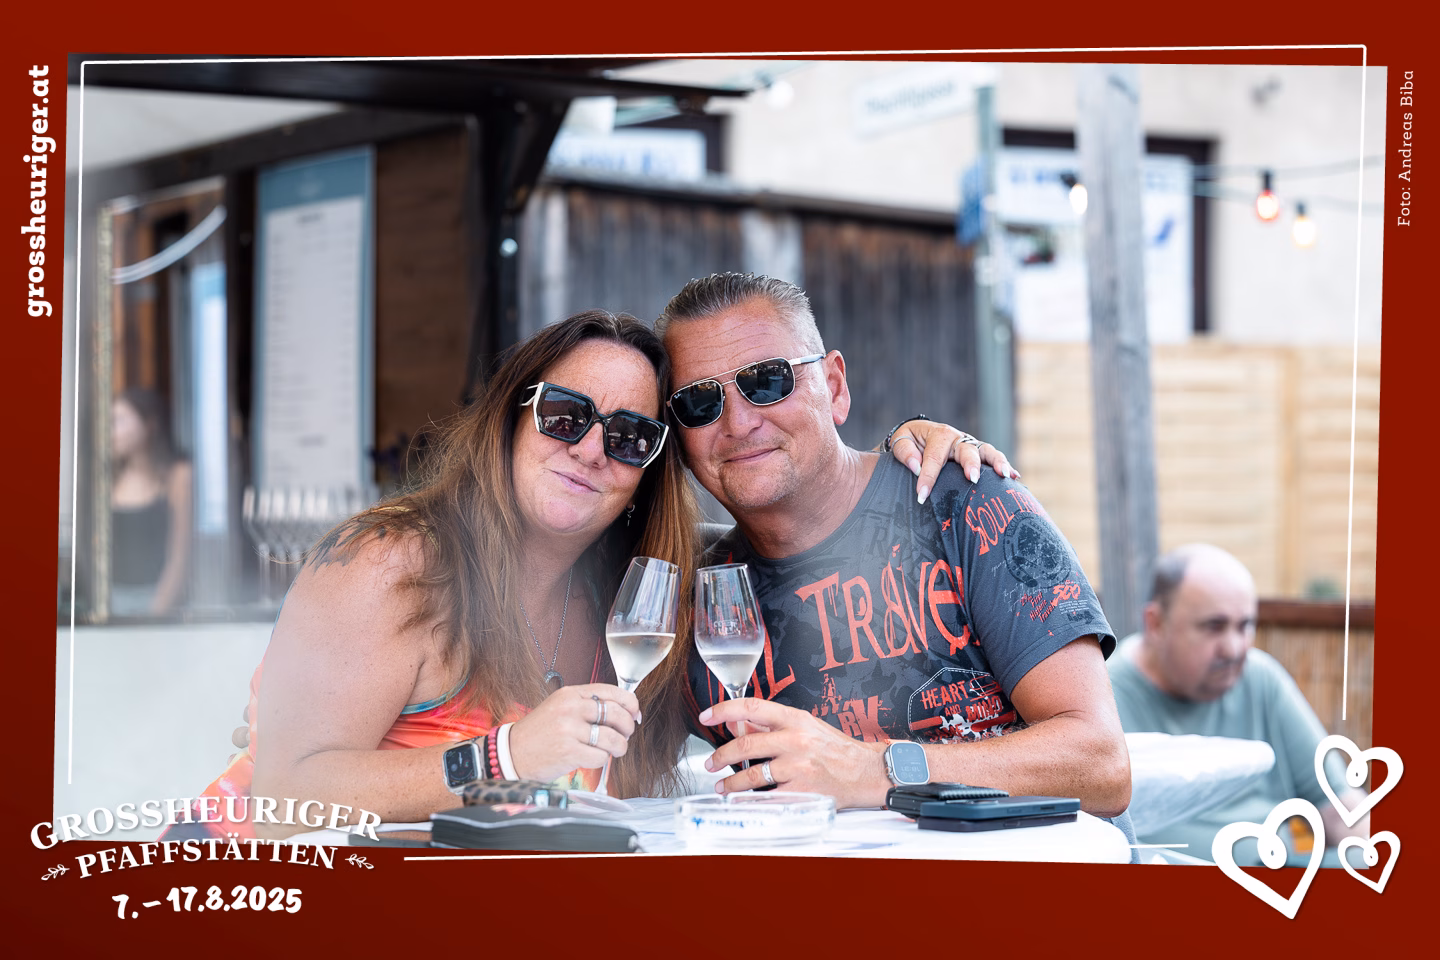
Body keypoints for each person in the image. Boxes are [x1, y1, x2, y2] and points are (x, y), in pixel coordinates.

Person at [192, 309, 1001, 839]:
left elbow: (790, 529)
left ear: (647, 470)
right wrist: (507, 757)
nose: (589, 450)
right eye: (565, 416)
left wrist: (902, 451)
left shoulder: (639, 599)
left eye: (628, 437)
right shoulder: (391, 563)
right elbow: (282, 802)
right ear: (513, 417)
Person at [656, 273, 1131, 819]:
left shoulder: (964, 503)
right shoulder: (688, 599)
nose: (738, 422)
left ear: (835, 387)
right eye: (699, 402)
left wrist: (874, 770)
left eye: (767, 381)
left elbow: (1101, 764)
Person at [1106, 543, 1367, 864]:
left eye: (1245, 626)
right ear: (1156, 623)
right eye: (1213, 627)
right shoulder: (1103, 700)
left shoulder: (1261, 679)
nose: (1233, 648)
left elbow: (1342, 806)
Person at [109, 387, 193, 616]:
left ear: (149, 424)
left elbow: (180, 555)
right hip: (112, 601)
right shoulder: (109, 478)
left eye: (120, 421)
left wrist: (155, 614)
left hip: (157, 603)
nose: (112, 431)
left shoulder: (177, 475)